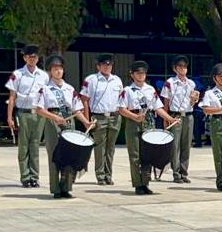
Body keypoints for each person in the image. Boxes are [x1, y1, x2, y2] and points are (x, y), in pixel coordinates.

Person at [34, 55, 92, 198]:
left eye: (60, 68)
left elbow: (76, 109)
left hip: (68, 121)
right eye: (55, 69)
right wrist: (54, 117)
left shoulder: (69, 88)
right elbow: (39, 109)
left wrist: (85, 121)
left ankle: (66, 187)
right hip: (53, 121)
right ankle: (55, 189)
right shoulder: (45, 89)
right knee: (54, 155)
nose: (58, 71)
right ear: (50, 71)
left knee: (70, 155)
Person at [118, 61, 176, 195]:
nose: (141, 75)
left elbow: (158, 107)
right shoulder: (127, 90)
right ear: (132, 75)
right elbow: (121, 109)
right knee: (135, 155)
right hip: (134, 122)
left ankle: (145, 182)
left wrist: (169, 118)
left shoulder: (150, 89)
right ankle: (138, 184)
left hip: (149, 121)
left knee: (148, 154)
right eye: (138, 73)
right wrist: (134, 116)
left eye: (143, 73)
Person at [5, 44, 48, 188]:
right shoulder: (17, 74)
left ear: (38, 58)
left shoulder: (43, 75)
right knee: (23, 147)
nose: (32, 59)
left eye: (34, 56)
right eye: (29, 56)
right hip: (23, 113)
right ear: (24, 58)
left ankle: (34, 177)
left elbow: (46, 97)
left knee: (35, 146)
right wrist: (9, 117)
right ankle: (25, 177)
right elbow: (12, 96)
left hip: (38, 115)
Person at [80, 53, 124, 186]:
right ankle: (100, 175)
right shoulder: (91, 80)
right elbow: (84, 100)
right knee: (100, 148)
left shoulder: (117, 80)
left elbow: (121, 99)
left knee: (110, 149)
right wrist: (87, 120)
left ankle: (108, 175)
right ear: (98, 66)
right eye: (104, 64)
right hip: (99, 117)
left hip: (115, 117)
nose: (107, 67)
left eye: (109, 64)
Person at [160, 55, 198, 183]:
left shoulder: (191, 83)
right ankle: (176, 172)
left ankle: (184, 172)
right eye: (180, 66)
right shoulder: (169, 83)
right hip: (174, 115)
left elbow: (192, 102)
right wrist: (166, 119)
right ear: (175, 68)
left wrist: (194, 100)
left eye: (185, 67)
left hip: (188, 115)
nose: (183, 69)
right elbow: (166, 102)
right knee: (175, 145)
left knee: (186, 145)